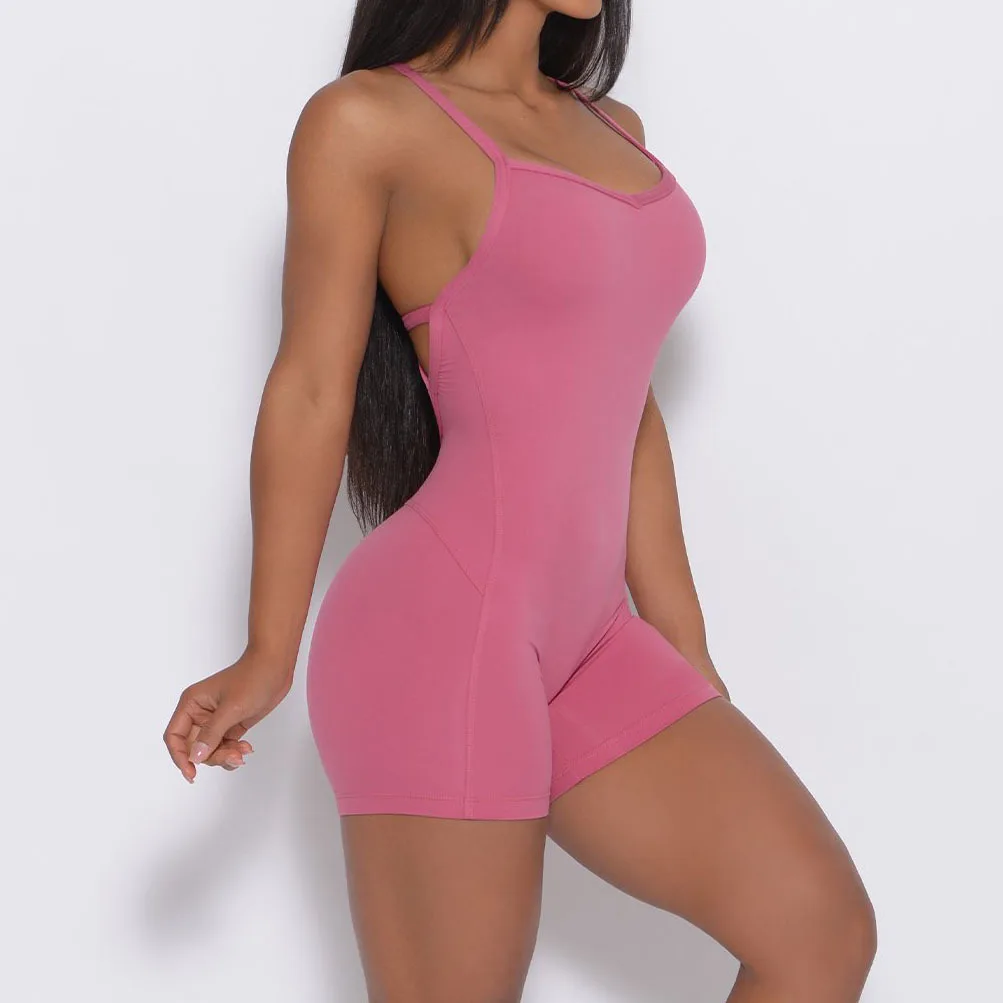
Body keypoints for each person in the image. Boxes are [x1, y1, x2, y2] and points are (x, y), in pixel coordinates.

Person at [163, 2, 877, 999]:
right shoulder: (367, 121)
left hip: (593, 639)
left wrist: (683, 646)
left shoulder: (613, 130)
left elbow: (624, 400)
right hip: (442, 633)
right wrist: (267, 649)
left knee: (818, 931)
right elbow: (314, 389)